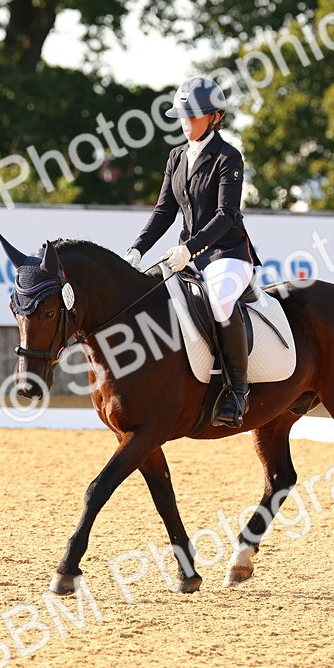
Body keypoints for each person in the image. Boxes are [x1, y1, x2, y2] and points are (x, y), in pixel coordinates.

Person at [124, 76, 262, 429]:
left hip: (227, 254)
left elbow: (226, 215)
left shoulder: (228, 157)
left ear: (216, 117)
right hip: (187, 255)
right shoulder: (176, 157)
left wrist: (189, 248)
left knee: (220, 300)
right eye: (182, 117)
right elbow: (163, 211)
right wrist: (137, 249)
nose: (186, 123)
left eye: (194, 116)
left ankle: (238, 392)